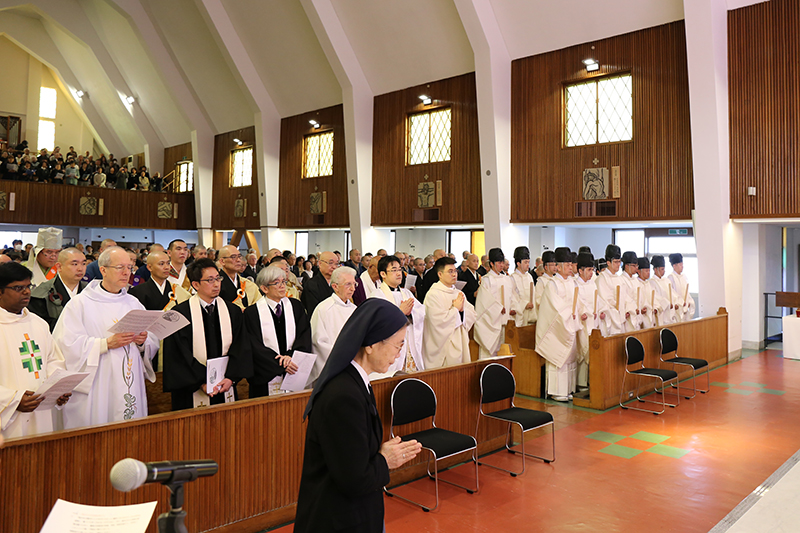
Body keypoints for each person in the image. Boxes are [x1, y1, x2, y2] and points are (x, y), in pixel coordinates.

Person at [295, 299, 422, 533]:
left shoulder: (356, 381)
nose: (400, 353)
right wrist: (386, 460)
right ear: (372, 344)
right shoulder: (343, 395)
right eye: (397, 345)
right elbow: (353, 478)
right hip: (338, 520)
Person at [54, 247, 159, 428]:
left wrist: (143, 341)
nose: (127, 272)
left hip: (129, 380)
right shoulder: (80, 304)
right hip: (99, 383)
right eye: (120, 267)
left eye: (130, 267)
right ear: (103, 270)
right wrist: (105, 344)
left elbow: (152, 339)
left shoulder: (133, 302)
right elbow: (65, 345)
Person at [162, 258, 247, 410]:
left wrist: (231, 378)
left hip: (225, 385)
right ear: (195, 284)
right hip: (192, 388)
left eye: (218, 278)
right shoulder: (179, 315)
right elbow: (177, 356)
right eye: (209, 280)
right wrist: (202, 381)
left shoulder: (232, 311)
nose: (216, 284)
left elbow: (241, 347)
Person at [0, 263, 72, 438]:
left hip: (40, 411)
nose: (26, 292)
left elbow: (53, 360)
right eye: (18, 287)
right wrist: (12, 400)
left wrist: (57, 389)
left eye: (28, 286)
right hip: (7, 418)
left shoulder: (38, 323)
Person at [243, 265, 311, 398]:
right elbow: (254, 345)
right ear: (264, 288)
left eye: (283, 282)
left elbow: (304, 335)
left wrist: (291, 357)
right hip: (265, 375)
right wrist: (280, 364)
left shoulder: (296, 306)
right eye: (277, 283)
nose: (282, 286)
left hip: (293, 368)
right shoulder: (252, 313)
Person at [535, 247, 581, 402]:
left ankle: (568, 389)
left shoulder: (572, 283)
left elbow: (577, 302)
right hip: (558, 328)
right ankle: (556, 391)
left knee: (569, 357)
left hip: (570, 323)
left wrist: (578, 313)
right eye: (567, 265)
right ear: (559, 266)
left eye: (571, 265)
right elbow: (553, 308)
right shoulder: (552, 284)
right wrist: (569, 313)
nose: (570, 268)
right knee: (558, 356)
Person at [368, 255, 425, 378]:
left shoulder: (406, 293)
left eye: (400, 269)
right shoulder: (377, 296)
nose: (399, 273)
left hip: (409, 346)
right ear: (383, 274)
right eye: (394, 270)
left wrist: (411, 313)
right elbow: (376, 325)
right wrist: (399, 312)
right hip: (391, 350)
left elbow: (421, 313)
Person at [422, 257, 476, 368]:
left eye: (455, 271)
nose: (454, 274)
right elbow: (437, 322)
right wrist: (455, 310)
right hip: (443, 347)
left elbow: (472, 313)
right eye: (450, 272)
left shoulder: (459, 293)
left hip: (460, 342)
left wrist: (462, 312)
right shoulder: (433, 295)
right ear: (440, 274)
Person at [309, 267, 358, 387]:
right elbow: (319, 343)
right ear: (335, 286)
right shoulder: (324, 309)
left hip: (353, 364)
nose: (353, 288)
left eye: (354, 284)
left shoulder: (355, 309)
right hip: (332, 367)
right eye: (348, 284)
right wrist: (344, 358)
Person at [29, 248, 87, 331]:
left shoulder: (91, 290)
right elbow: (39, 325)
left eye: (84, 264)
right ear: (59, 266)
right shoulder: (41, 294)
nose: (80, 269)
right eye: (74, 264)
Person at [474, 248, 517, 359]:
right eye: (498, 262)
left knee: (501, 351)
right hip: (491, 322)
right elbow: (484, 302)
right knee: (489, 353)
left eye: (502, 262)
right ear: (492, 263)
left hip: (503, 322)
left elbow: (511, 296)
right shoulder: (487, 280)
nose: (501, 265)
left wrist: (512, 308)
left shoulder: (507, 279)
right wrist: (497, 308)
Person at [574, 252, 605, 390]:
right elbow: (575, 302)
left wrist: (600, 311)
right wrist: (582, 312)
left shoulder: (593, 284)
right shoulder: (575, 284)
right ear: (580, 270)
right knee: (581, 350)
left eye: (592, 270)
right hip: (581, 323)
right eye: (588, 270)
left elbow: (598, 300)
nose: (591, 273)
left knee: (591, 350)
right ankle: (580, 382)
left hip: (593, 322)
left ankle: (588, 381)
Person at [595, 244, 626, 336]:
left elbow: (625, 297)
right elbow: (603, 300)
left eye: (619, 262)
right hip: (610, 320)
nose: (618, 265)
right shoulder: (602, 279)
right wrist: (615, 311)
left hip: (621, 318)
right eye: (616, 262)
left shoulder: (620, 279)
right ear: (608, 262)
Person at [217, 245, 261, 310]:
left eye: (239, 256)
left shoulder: (248, 284)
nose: (238, 260)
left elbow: (260, 305)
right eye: (233, 257)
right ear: (222, 261)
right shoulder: (215, 283)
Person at [301, 251, 337, 316]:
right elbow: (313, 311)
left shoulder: (339, 283)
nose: (334, 267)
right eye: (331, 263)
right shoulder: (311, 284)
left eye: (336, 264)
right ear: (320, 264)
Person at [510, 246, 536, 328]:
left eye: (528, 262)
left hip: (530, 315)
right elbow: (512, 297)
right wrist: (524, 304)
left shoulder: (529, 276)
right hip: (519, 315)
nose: (528, 265)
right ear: (518, 263)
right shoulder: (512, 278)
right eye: (525, 262)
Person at [649, 255, 677, 325]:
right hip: (662, 313)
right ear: (655, 269)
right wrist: (667, 304)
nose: (663, 271)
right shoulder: (652, 282)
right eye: (662, 269)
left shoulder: (666, 280)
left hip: (670, 312)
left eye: (664, 269)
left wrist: (675, 303)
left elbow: (673, 294)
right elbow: (656, 297)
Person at [668, 253, 696, 321]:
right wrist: (679, 303)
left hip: (685, 308)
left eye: (682, 264)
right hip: (677, 309)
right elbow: (672, 294)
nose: (682, 266)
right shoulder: (671, 278)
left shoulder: (684, 277)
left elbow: (686, 292)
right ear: (674, 266)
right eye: (680, 265)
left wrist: (688, 301)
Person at [619, 251, 641, 332]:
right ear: (626, 266)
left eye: (637, 265)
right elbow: (623, 298)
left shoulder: (636, 280)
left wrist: (640, 307)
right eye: (634, 266)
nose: (636, 268)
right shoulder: (621, 280)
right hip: (627, 317)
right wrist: (628, 310)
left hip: (637, 315)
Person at [534, 250, 558, 316]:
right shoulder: (541, 281)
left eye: (555, 264)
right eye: (552, 265)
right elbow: (538, 299)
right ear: (546, 267)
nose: (555, 267)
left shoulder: (556, 280)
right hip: (546, 313)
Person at [636, 257, 655, 329]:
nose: (648, 273)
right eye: (646, 271)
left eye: (649, 271)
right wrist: (640, 309)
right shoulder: (636, 283)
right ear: (639, 271)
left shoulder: (648, 284)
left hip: (649, 314)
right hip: (640, 315)